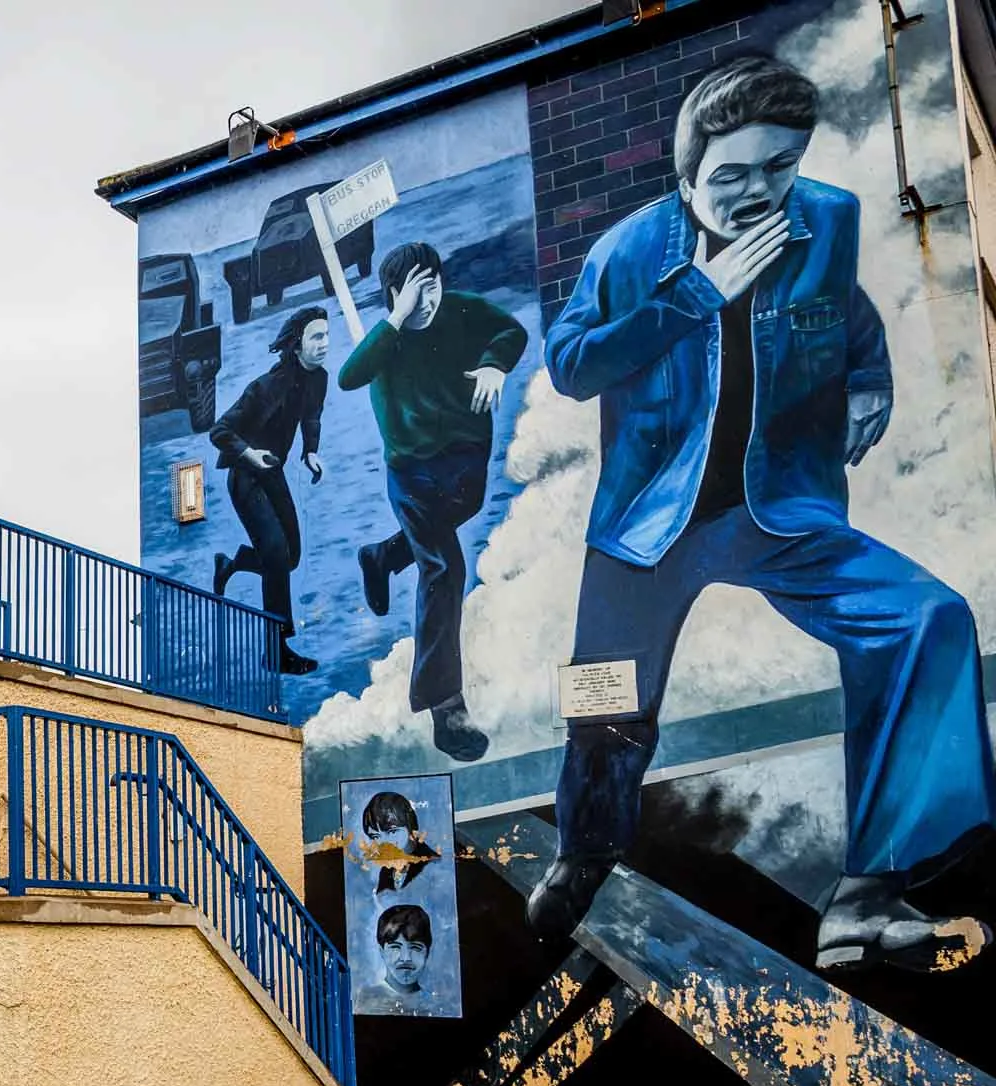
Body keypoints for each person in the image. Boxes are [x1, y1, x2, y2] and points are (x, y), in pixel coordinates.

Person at [530, 55, 994, 974]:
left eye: (777, 167)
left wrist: (869, 380)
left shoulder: (825, 219)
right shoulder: (627, 252)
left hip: (778, 505)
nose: (757, 192)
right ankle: (586, 853)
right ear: (686, 174)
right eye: (731, 175)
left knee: (929, 619)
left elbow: (848, 314)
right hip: (647, 525)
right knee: (606, 708)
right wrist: (696, 297)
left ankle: (868, 894)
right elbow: (571, 364)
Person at [339, 242, 528, 761]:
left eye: (434, 287)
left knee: (453, 525)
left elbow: (511, 330)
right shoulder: (386, 342)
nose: (428, 301)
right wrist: (397, 319)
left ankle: (382, 556)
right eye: (415, 293)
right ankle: (446, 708)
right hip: (413, 475)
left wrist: (495, 365)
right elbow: (349, 375)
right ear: (394, 296)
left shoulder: (463, 309)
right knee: (443, 568)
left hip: (465, 465)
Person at [208, 305, 329, 675]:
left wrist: (310, 452)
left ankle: (236, 563)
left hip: (272, 473)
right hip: (246, 476)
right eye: (317, 337)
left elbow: (311, 416)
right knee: (276, 552)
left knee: (289, 557)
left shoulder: (318, 378)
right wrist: (249, 453)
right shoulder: (266, 386)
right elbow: (219, 432)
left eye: (327, 335)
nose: (325, 343)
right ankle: (276, 650)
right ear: (297, 345)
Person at [360, 789, 442, 895]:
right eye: (376, 836)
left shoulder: (432, 866)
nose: (384, 843)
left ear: (412, 828)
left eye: (393, 832)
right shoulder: (386, 871)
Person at [374, 903, 433, 997]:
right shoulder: (365, 999)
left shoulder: (434, 1004)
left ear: (427, 953)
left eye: (415, 947)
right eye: (395, 947)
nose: (406, 958)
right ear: (382, 951)